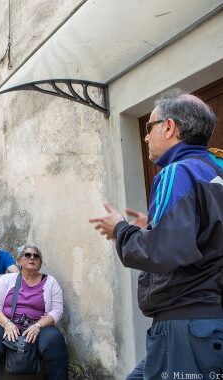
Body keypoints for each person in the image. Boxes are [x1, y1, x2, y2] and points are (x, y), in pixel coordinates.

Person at [89, 89, 223, 379]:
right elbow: (209, 235)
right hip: (206, 325)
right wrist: (153, 225)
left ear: (170, 127)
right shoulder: (216, 170)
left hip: (186, 329)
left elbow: (159, 252)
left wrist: (120, 229)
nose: (147, 136)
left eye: (150, 127)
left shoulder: (177, 172)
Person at [0, 244, 68, 380]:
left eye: (36, 256)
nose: (32, 258)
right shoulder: (6, 279)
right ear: (19, 261)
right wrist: (7, 324)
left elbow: (57, 310)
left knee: (54, 339)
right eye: (28, 255)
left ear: (40, 262)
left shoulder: (50, 282)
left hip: (39, 327)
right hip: (8, 325)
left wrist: (38, 326)